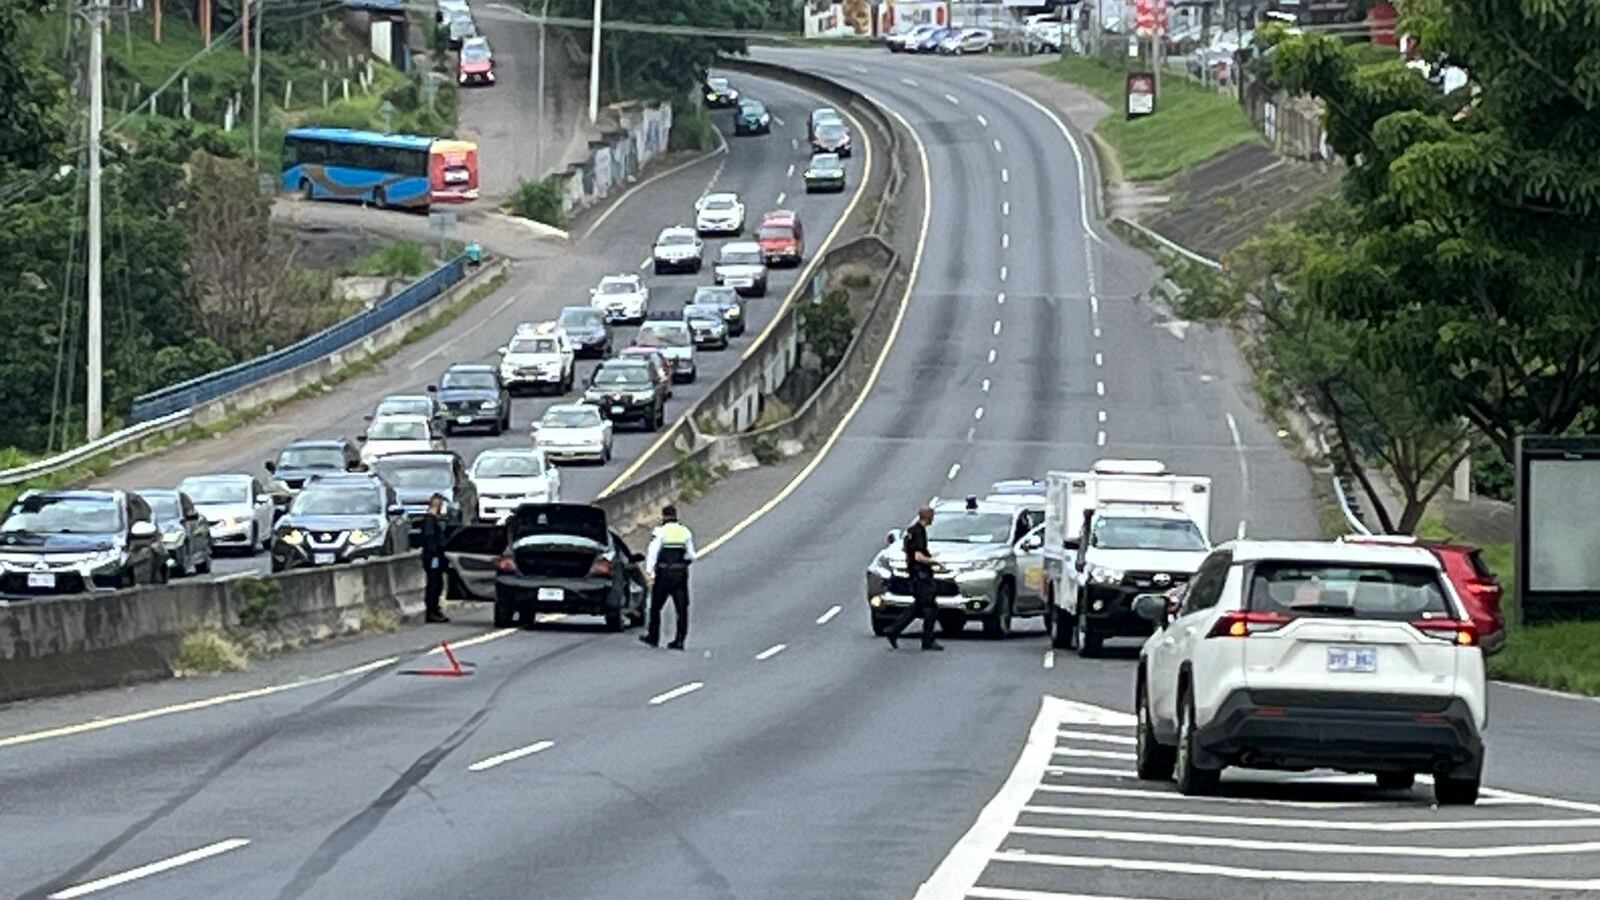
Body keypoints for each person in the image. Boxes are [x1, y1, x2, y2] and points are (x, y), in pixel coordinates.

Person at [885, 505, 943, 651]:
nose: (933, 518)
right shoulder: (918, 532)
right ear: (928, 516)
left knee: (918, 607)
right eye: (932, 515)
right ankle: (927, 640)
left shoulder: (911, 531)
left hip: (915, 575)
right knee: (931, 608)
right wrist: (934, 562)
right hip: (921, 576)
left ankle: (893, 630)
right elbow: (918, 556)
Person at [640, 504, 696, 650]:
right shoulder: (685, 532)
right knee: (682, 609)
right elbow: (691, 555)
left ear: (663, 516)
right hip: (680, 574)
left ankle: (653, 637)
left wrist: (650, 572)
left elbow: (653, 552)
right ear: (676, 516)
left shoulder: (660, 532)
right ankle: (679, 640)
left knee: (656, 607)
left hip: (664, 574)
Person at [419, 493, 451, 624]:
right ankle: (431, 612)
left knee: (437, 583)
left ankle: (435, 609)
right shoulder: (430, 520)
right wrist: (436, 553)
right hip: (433, 557)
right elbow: (429, 538)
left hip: (436, 556)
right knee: (434, 583)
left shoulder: (434, 519)